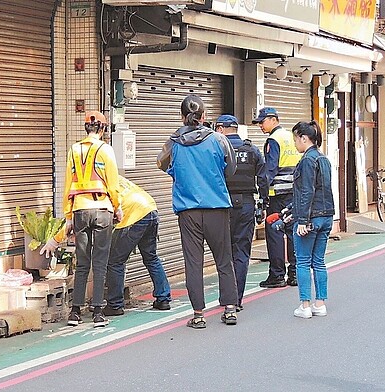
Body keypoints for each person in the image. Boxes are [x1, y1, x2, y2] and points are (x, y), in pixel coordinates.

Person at [157, 94, 238, 329]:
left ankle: (198, 314)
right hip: (217, 208)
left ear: (182, 117)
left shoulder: (173, 142)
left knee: (193, 263)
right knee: (223, 259)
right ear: (203, 117)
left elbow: (161, 164)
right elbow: (231, 168)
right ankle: (230, 309)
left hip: (188, 211)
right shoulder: (219, 139)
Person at [41, 175, 172, 316]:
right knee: (151, 257)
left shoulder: (93, 188)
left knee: (115, 261)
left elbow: (79, 219)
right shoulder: (110, 175)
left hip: (134, 215)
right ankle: (163, 299)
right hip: (150, 208)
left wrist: (54, 241)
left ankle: (115, 305)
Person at [62, 110, 122, 328]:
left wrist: (68, 215)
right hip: (103, 210)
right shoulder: (105, 150)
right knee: (100, 261)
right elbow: (113, 183)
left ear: (86, 128)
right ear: (103, 129)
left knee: (82, 262)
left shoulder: (74, 150)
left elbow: (68, 185)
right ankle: (97, 312)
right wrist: (118, 207)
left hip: (79, 210)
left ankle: (75, 312)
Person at [215, 114, 268, 311]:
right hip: (246, 204)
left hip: (223, 205)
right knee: (242, 252)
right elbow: (263, 180)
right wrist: (262, 205)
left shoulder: (216, 148)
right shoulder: (252, 150)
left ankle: (226, 297)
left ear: (221, 129)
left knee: (224, 253)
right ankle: (236, 299)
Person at [290, 121, 335, 319]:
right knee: (319, 262)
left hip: (310, 218)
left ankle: (305, 305)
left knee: (302, 261)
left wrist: (301, 220)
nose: (294, 144)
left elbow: (307, 191)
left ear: (303, 138)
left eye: (295, 139)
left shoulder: (308, 160)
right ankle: (320, 304)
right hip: (326, 216)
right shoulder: (324, 159)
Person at [252, 107, 301, 288]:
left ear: (273, 120)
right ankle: (295, 273)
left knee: (274, 233)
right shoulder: (291, 136)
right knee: (292, 232)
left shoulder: (273, 140)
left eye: (262, 122)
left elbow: (268, 172)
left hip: (277, 194)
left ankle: (277, 275)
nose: (260, 126)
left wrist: (262, 197)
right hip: (293, 192)